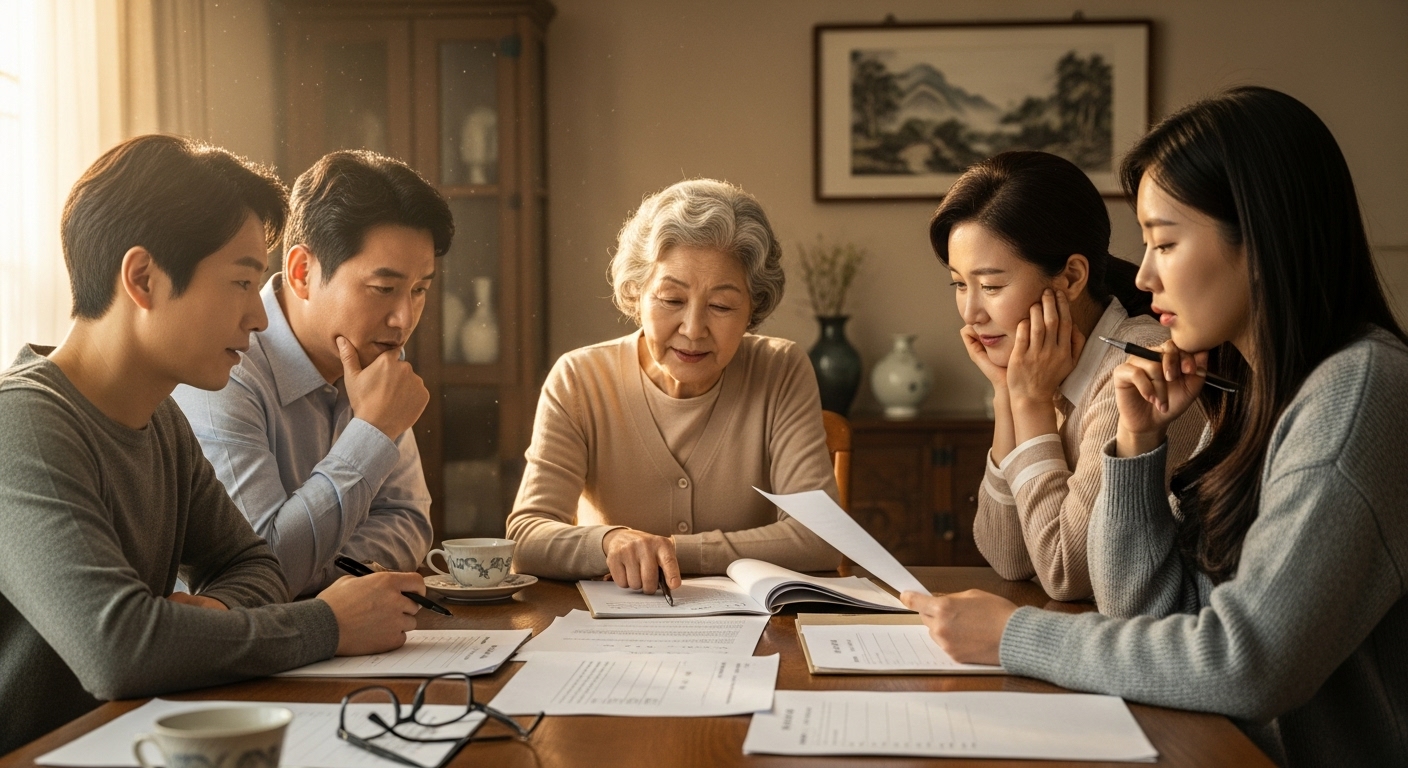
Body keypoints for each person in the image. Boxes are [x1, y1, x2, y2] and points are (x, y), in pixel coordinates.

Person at [901, 87, 1408, 765]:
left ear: (1261, 237)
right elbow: (1146, 615)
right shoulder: (1248, 392)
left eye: (1164, 242)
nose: (1141, 275)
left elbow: (1246, 661)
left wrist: (1014, 636)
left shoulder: (1358, 390)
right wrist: (1137, 449)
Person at [0, 136, 427, 754]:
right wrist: (328, 624)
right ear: (143, 278)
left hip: (130, 741)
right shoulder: (25, 426)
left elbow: (253, 565)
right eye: (241, 282)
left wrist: (208, 618)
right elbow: (117, 650)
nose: (259, 318)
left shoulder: (162, 421)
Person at [506, 179, 841, 591]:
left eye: (721, 306)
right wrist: (610, 541)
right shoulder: (579, 378)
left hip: (752, 631)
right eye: (671, 299)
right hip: (609, 634)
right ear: (637, 292)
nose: (693, 329)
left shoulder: (780, 369)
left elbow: (821, 539)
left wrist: (668, 550)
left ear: (754, 308)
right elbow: (525, 537)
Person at [173, 150, 452, 597]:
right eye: (384, 289)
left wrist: (317, 575)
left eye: (419, 290)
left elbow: (409, 520)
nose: (404, 318)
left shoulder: (375, 361)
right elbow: (261, 566)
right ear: (302, 272)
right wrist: (372, 430)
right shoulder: (222, 364)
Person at [932, 151, 1206, 601]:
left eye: (992, 286)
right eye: (960, 284)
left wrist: (1030, 405)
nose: (971, 312)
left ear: (1072, 277)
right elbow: (1008, 557)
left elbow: (1066, 572)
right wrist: (1006, 394)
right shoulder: (1043, 371)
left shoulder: (1140, 366)